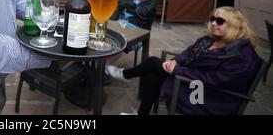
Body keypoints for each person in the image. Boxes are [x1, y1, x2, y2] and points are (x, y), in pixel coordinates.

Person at [106, 6, 263, 115]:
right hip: (190, 80)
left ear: (234, 26)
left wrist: (177, 69)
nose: (214, 23)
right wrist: (176, 61)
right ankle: (131, 90)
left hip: (205, 97)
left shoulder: (242, 57)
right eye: (213, 19)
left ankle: (125, 75)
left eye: (220, 21)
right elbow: (190, 51)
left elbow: (214, 80)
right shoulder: (211, 39)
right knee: (153, 71)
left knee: (153, 65)